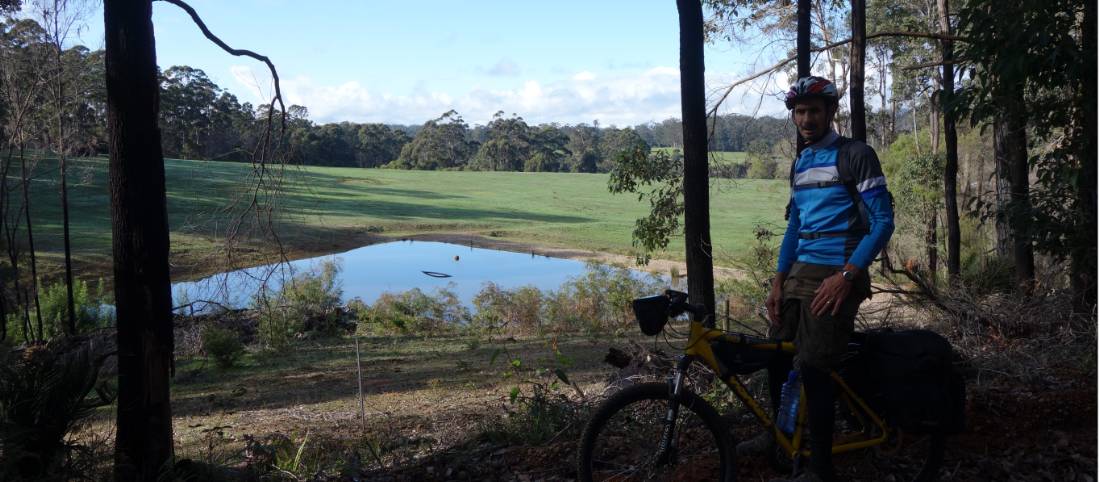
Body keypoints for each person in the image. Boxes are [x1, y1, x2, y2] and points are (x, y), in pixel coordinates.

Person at [738, 76, 895, 482]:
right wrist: (777, 280)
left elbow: (882, 221)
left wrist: (847, 275)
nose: (806, 118)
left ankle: (821, 469)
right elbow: (794, 228)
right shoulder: (802, 162)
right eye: (800, 111)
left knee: (813, 366)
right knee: (775, 352)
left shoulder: (855, 155)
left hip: (840, 268)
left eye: (814, 111)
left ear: (830, 113)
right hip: (799, 272)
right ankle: (781, 434)